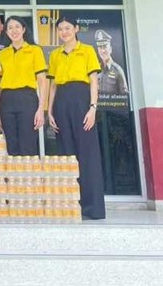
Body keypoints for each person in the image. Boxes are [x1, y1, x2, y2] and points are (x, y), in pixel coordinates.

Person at [47, 16, 106, 220]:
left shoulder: (87, 50)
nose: (64, 32)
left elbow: (93, 82)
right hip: (61, 101)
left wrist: (92, 108)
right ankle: (70, 205)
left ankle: (92, 208)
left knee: (87, 154)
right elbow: (53, 85)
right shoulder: (55, 55)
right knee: (66, 155)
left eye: (68, 28)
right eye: (61, 28)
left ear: (76, 29)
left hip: (82, 101)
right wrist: (49, 110)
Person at [0, 16, 48, 156]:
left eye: (17, 27)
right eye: (10, 28)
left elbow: (42, 81)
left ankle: (29, 178)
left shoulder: (35, 50)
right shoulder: (2, 54)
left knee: (27, 144)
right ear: (6, 32)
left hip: (27, 98)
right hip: (7, 100)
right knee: (11, 145)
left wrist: (41, 109)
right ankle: (15, 178)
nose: (14, 30)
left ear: (24, 29)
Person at [95, 29, 128, 95]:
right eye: (100, 47)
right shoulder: (96, 69)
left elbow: (125, 95)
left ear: (110, 49)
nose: (102, 51)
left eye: (105, 47)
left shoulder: (117, 70)